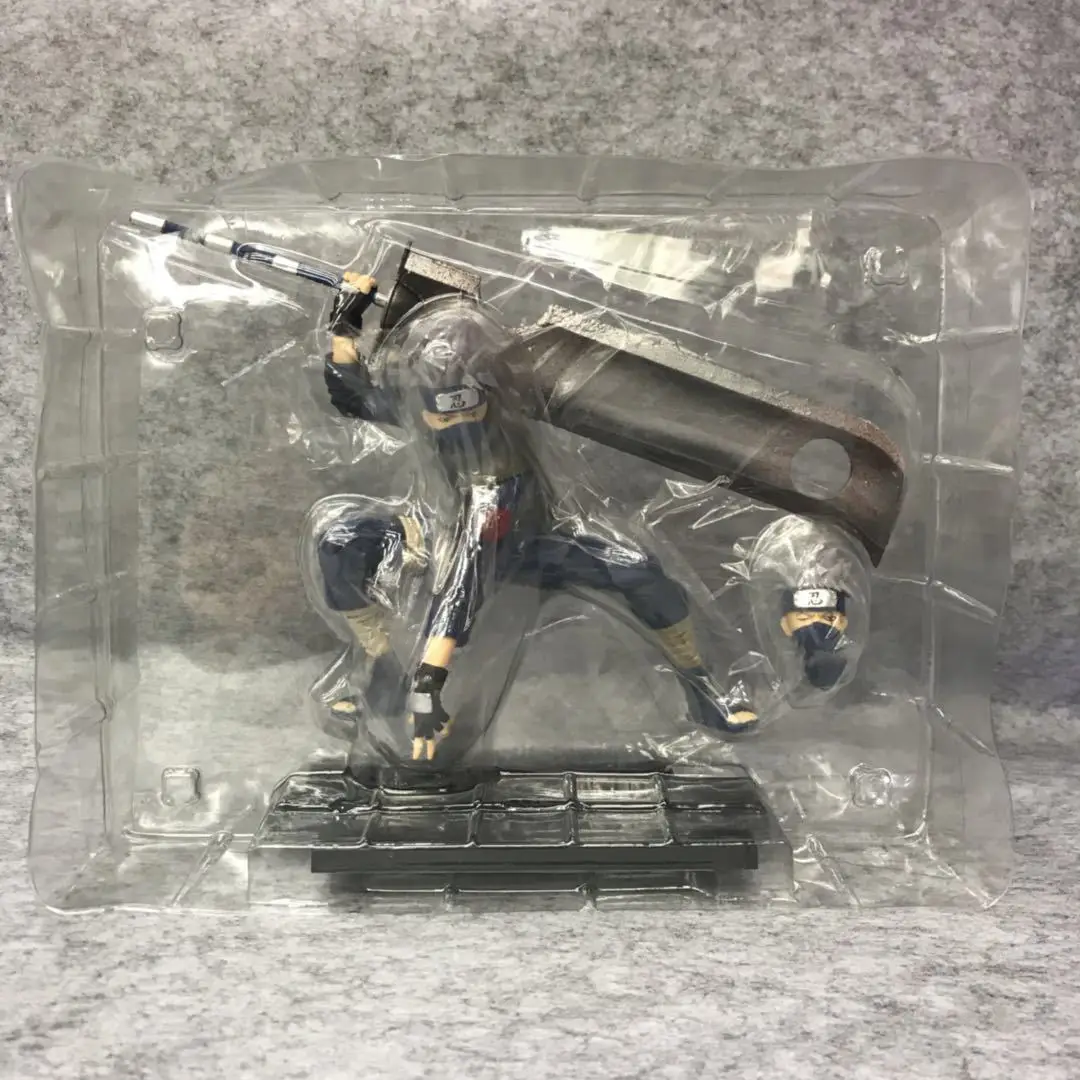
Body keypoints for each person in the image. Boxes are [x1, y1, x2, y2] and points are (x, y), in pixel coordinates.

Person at [314, 281, 757, 762]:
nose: (454, 426)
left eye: (465, 408)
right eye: (440, 415)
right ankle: (377, 672)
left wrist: (428, 682)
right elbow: (353, 396)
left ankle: (702, 688)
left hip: (527, 544)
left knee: (637, 571)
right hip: (439, 527)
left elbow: (464, 585)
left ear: (487, 395)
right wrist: (346, 320)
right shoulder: (424, 407)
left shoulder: (501, 445)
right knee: (341, 539)